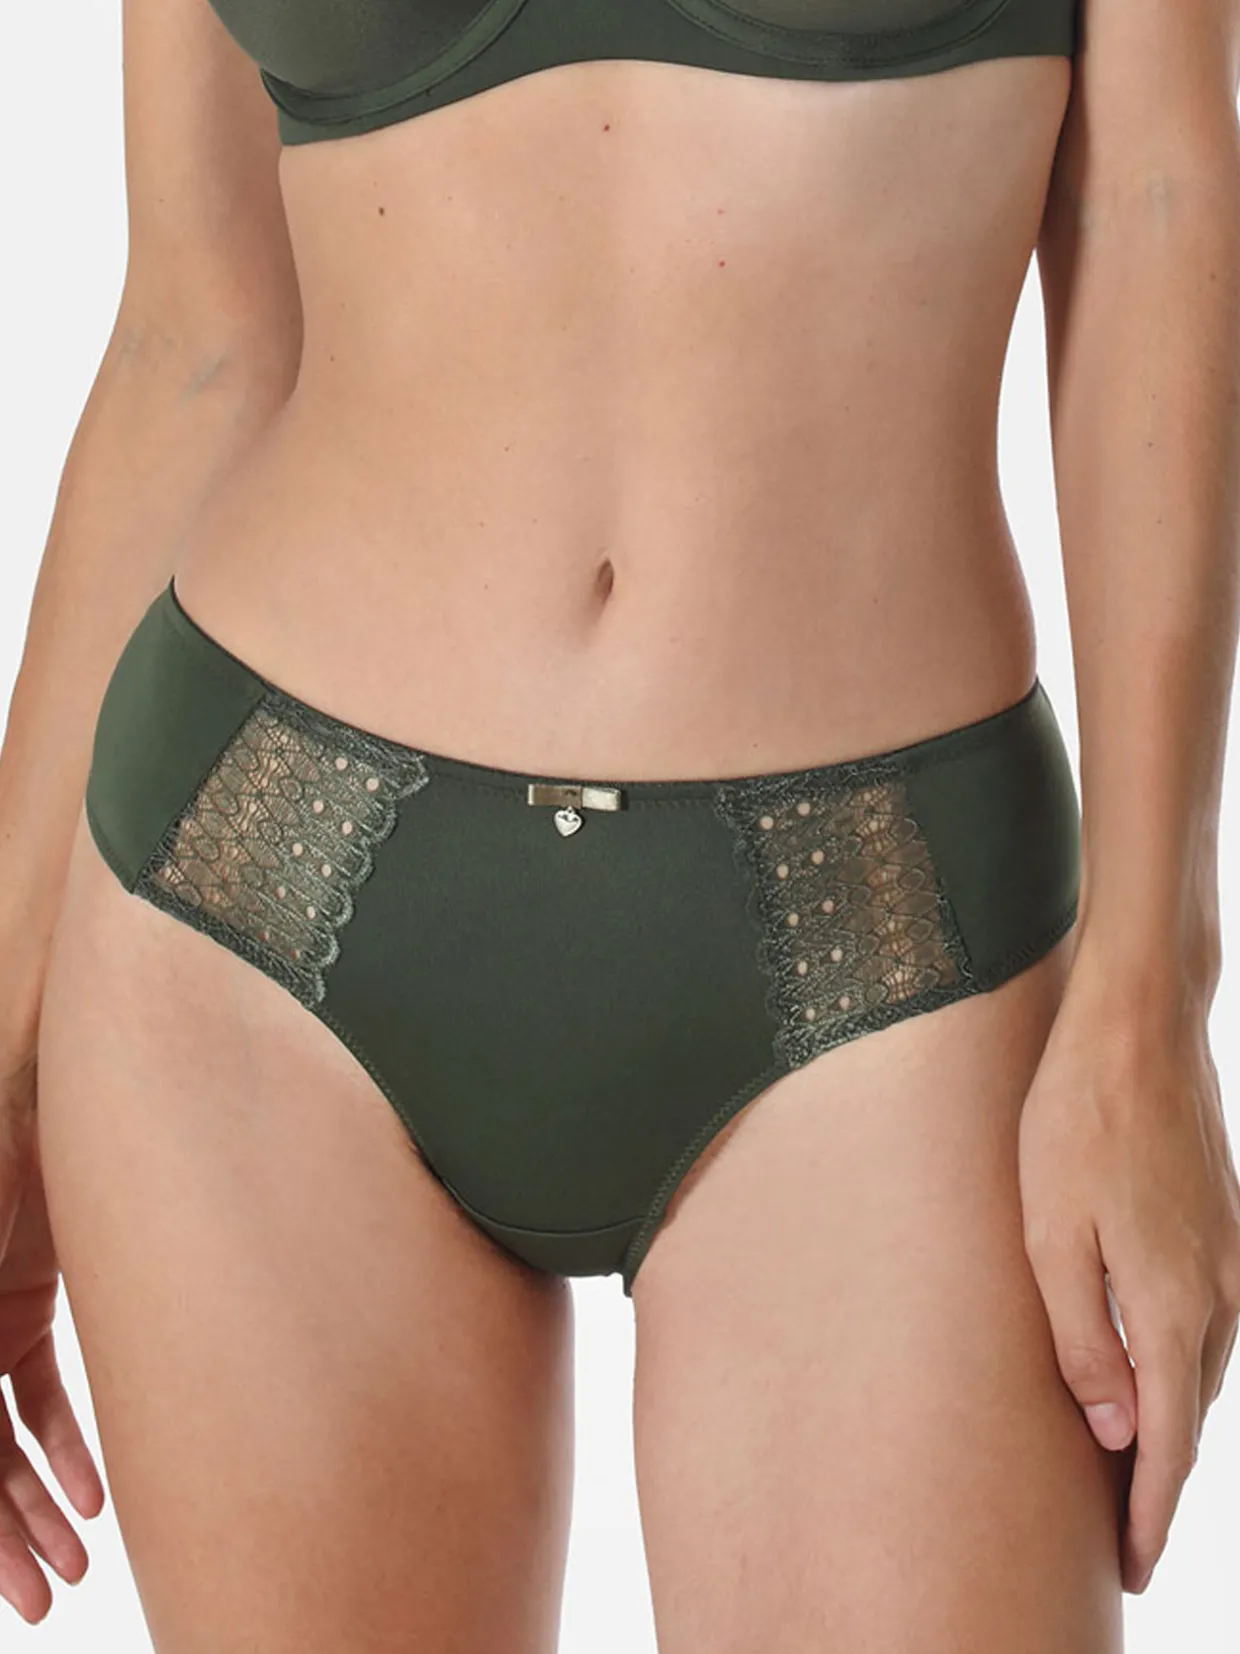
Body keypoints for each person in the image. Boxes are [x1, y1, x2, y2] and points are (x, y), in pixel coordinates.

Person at [2, 0, 1239, 1645]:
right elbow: (196, 336)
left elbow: (1156, 195)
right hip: (260, 907)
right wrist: (3, 1057)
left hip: (878, 929)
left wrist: (1155, 1000)